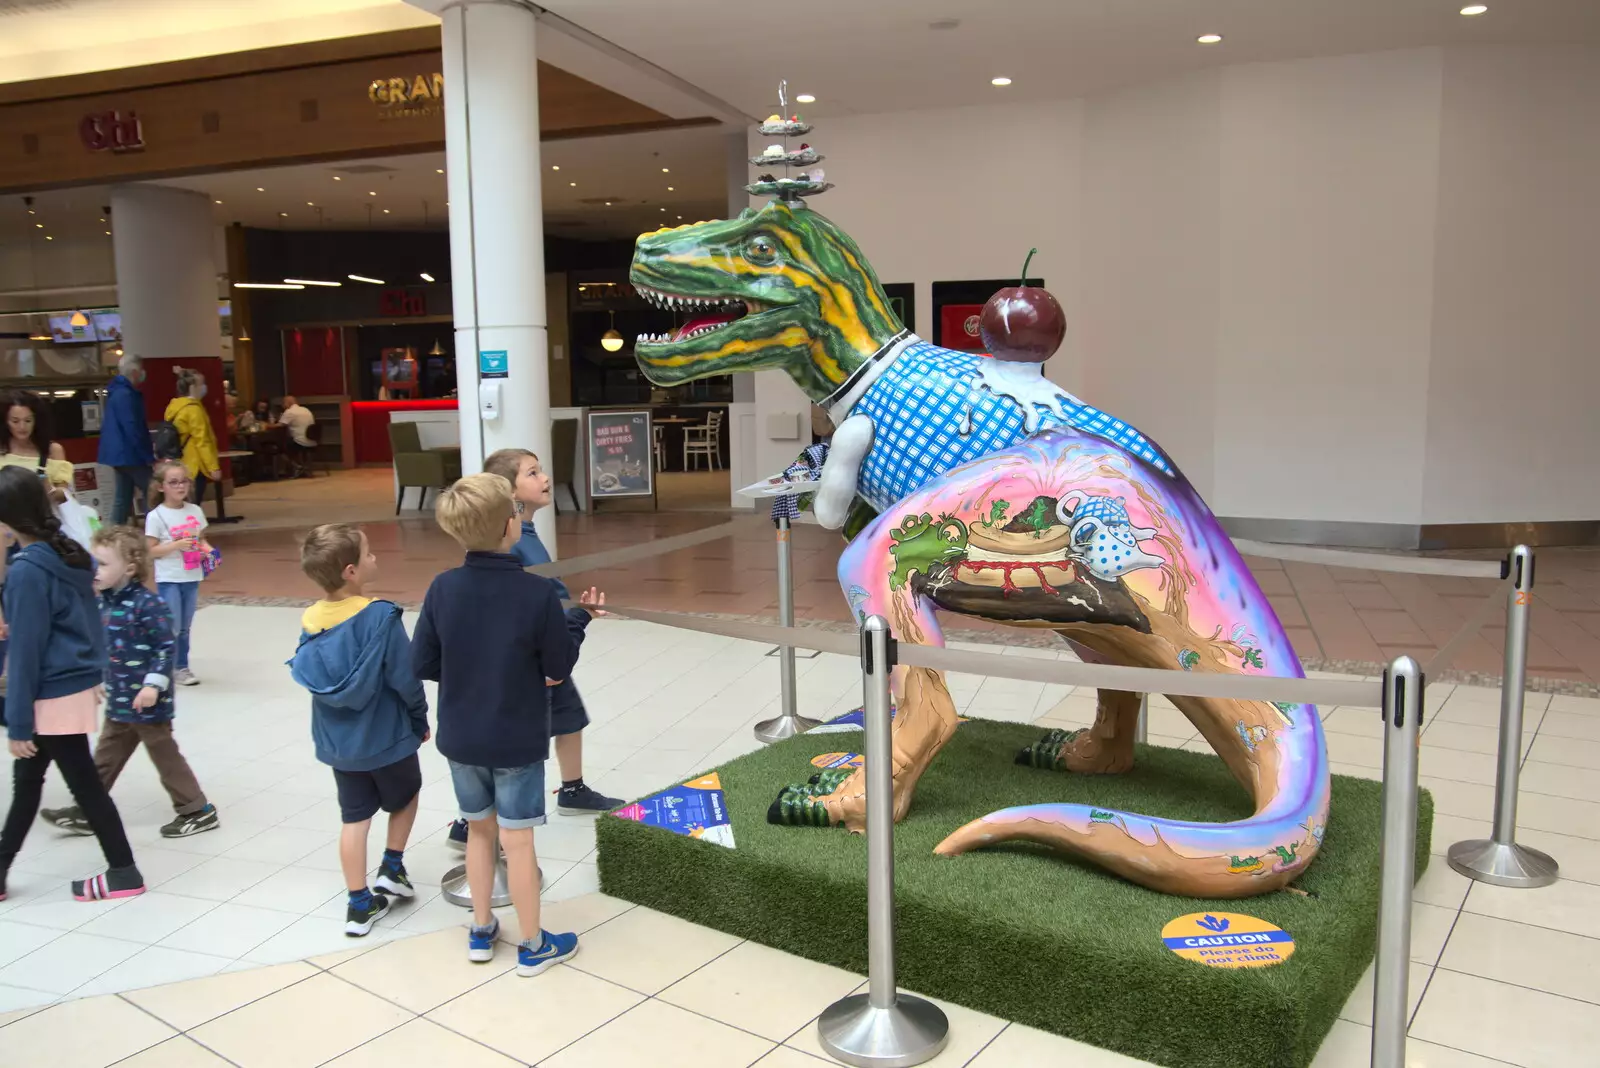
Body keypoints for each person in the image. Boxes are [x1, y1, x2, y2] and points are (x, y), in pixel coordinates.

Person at [411, 473, 603, 974]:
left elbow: (424, 663)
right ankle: (534, 943)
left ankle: (480, 929)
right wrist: (580, 617)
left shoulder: (441, 588)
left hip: (460, 736)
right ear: (507, 525)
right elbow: (557, 668)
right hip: (515, 737)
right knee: (518, 841)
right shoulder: (535, 593)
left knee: (479, 833)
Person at [0, 467, 144, 903]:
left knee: (81, 784)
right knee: (29, 783)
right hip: (68, 686)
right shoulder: (66, 554)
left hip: (50, 693)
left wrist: (19, 722)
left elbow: (26, 651)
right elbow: (85, 625)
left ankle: (124, 871)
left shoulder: (28, 570)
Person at [288, 523, 427, 936]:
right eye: (368, 554)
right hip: (386, 734)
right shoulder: (380, 616)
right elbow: (406, 677)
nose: (375, 558)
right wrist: (419, 719)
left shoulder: (311, 619)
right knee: (407, 793)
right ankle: (393, 867)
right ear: (351, 571)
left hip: (338, 743)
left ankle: (359, 903)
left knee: (354, 817)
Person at [39, 527, 218, 839]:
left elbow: (165, 647)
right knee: (106, 754)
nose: (95, 570)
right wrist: (94, 678)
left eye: (103, 564)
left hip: (149, 703)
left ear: (130, 568)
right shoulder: (101, 603)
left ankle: (197, 810)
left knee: (165, 755)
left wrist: (152, 686)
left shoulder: (148, 605)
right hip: (120, 700)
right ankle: (87, 808)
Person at [484, 448, 621, 815]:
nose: (544, 478)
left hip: (549, 654)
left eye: (540, 471)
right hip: (533, 660)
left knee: (570, 717)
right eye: (532, 473)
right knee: (516, 743)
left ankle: (572, 790)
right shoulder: (509, 542)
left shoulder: (526, 531)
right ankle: (472, 819)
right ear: (509, 492)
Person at [144, 459, 211, 686]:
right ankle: (163, 665)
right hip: (169, 577)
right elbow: (151, 550)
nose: (180, 487)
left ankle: (181, 666)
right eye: (173, 482)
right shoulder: (156, 516)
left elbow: (201, 539)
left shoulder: (195, 511)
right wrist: (175, 545)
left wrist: (208, 552)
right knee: (171, 625)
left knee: (184, 626)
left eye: (184, 481)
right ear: (161, 486)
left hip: (191, 575)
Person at [97, 354, 156, 526]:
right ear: (135, 372)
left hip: (119, 455)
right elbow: (132, 427)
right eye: (141, 370)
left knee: (123, 496)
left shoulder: (117, 392)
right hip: (130, 454)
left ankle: (115, 535)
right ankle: (154, 529)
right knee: (152, 490)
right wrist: (147, 456)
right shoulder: (126, 395)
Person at [164, 366, 222, 518]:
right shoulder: (194, 410)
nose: (204, 388)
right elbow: (202, 441)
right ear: (192, 387)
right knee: (192, 508)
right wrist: (213, 467)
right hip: (194, 466)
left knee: (182, 506)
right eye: (201, 384)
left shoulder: (174, 407)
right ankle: (189, 538)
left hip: (180, 463)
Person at [2, 390, 72, 503]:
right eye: (15, 421)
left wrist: (52, 491)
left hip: (42, 517)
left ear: (37, 421)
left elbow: (65, 495)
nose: (22, 426)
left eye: (28, 420)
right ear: (5, 421)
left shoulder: (52, 450)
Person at [279, 395, 315, 476]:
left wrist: (266, 425)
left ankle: (297, 466)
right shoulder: (306, 410)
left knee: (279, 448)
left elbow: (280, 425)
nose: (282, 405)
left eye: (283, 403)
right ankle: (303, 467)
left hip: (299, 442)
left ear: (288, 403)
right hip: (312, 441)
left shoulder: (289, 411)